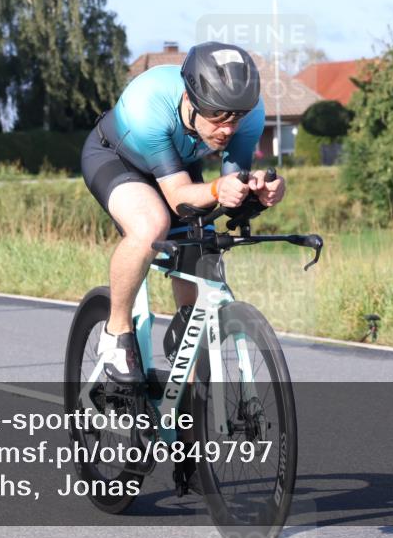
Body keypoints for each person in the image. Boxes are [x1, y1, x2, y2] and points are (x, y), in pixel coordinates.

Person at [80, 42, 286, 383]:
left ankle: (185, 387)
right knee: (151, 225)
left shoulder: (247, 114)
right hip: (116, 159)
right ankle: (116, 333)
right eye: (218, 116)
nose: (228, 129)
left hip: (176, 165)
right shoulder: (148, 101)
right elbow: (178, 198)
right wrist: (221, 189)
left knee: (202, 242)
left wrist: (261, 191)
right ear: (190, 100)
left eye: (236, 117)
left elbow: (231, 184)